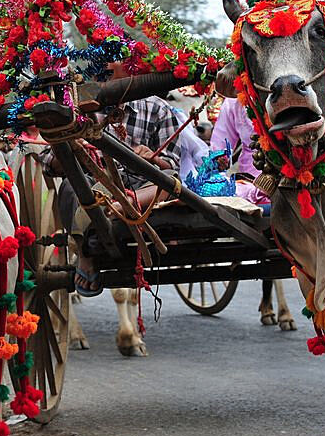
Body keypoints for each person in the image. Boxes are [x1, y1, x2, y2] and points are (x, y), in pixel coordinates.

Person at [44, 62, 182, 296]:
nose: (102, 78)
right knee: (71, 185)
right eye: (99, 73)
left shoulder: (157, 108)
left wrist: (153, 159)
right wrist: (72, 150)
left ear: (131, 71)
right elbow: (49, 162)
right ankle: (85, 255)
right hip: (95, 187)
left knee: (169, 179)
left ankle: (117, 207)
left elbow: (171, 163)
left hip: (140, 187)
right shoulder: (77, 106)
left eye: (109, 73)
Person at [210, 97, 270, 207]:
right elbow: (219, 146)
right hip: (248, 182)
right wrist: (219, 159)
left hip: (288, 179)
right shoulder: (234, 101)